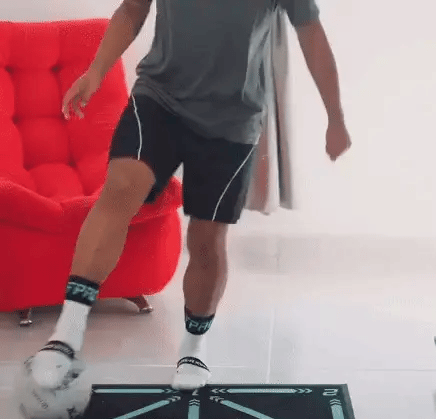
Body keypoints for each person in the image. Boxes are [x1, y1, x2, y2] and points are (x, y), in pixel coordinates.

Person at [28, 0, 351, 392]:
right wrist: (95, 72)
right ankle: (66, 334)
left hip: (232, 120)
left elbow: (311, 33)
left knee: (206, 238)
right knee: (121, 188)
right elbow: (132, 9)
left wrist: (335, 118)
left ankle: (193, 347)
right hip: (159, 99)